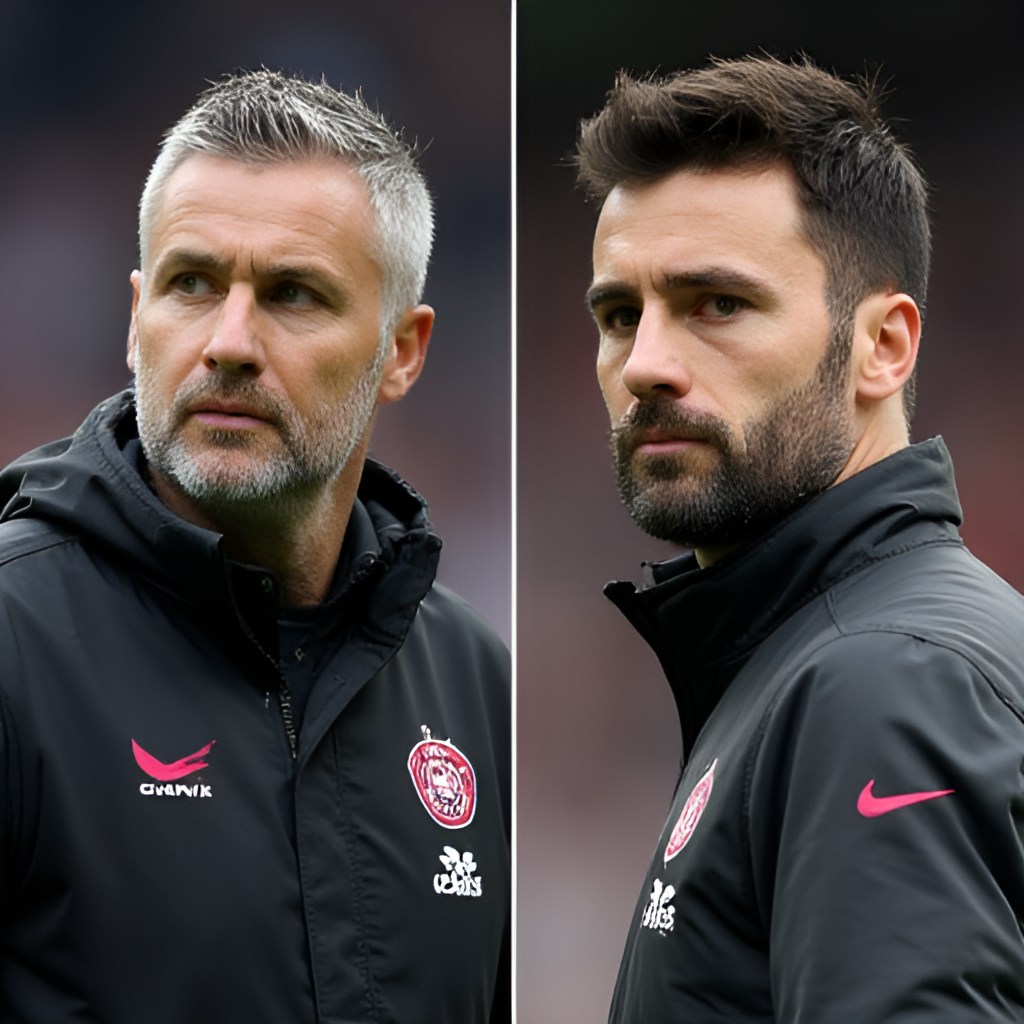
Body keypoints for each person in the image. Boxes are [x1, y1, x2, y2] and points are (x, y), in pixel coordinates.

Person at [0, 71, 509, 1024]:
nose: (229, 341)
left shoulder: (475, 682)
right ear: (135, 315)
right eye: (193, 284)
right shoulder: (15, 639)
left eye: (293, 294)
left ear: (402, 349)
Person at [576, 55, 1024, 1022]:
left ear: (884, 346)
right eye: (620, 314)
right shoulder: (818, 657)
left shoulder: (883, 679)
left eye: (717, 305)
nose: (644, 363)